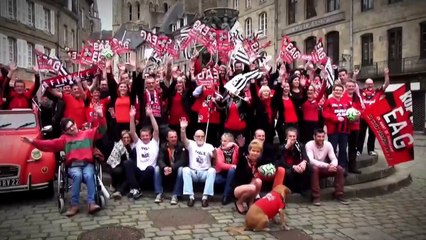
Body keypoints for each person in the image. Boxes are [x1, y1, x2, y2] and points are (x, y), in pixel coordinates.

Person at [21, 106, 106, 217]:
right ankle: (74, 205)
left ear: (75, 124)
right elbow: (49, 144)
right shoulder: (64, 139)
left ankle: (92, 204)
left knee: (90, 175)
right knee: (77, 175)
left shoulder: (88, 133)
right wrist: (33, 142)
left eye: (72, 125)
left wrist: (100, 116)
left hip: (87, 164)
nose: (71, 128)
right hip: (74, 166)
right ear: (65, 131)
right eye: (68, 128)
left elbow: (102, 130)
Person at [124, 105, 159, 200]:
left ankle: (135, 188)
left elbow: (156, 129)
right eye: (142, 136)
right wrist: (132, 117)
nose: (144, 137)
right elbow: (132, 131)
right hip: (138, 171)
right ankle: (136, 188)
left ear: (150, 135)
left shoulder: (154, 142)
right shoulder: (138, 142)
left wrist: (151, 115)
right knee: (128, 163)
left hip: (148, 173)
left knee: (150, 169)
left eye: (146, 135)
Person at [305, 129, 348, 206]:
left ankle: (339, 194)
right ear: (314, 137)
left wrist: (332, 165)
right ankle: (316, 197)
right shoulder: (309, 144)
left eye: (322, 136)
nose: (321, 138)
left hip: (324, 168)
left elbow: (334, 158)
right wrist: (327, 165)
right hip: (312, 170)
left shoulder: (328, 144)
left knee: (339, 169)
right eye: (318, 136)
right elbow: (310, 160)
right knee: (314, 168)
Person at [180, 118, 216, 207]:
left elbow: (214, 156)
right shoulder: (191, 144)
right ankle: (191, 197)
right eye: (198, 136)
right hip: (194, 173)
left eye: (202, 136)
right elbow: (183, 139)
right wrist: (183, 129)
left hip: (205, 173)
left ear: (204, 137)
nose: (200, 138)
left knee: (212, 171)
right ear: (194, 137)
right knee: (185, 170)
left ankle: (205, 198)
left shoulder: (209, 146)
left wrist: (215, 153)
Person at [357, 68, 390, 156]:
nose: (370, 85)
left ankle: (370, 150)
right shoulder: (361, 91)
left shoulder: (377, 91)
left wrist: (386, 74)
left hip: (373, 117)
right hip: (363, 117)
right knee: (361, 134)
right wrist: (355, 75)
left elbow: (386, 84)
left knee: (372, 135)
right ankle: (358, 150)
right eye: (368, 83)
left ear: (373, 84)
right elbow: (354, 85)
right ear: (365, 84)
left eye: (371, 83)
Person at [154, 129, 188, 205]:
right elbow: (160, 159)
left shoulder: (181, 146)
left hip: (175, 170)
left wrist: (172, 168)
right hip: (166, 170)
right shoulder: (163, 146)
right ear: (167, 138)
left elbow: (183, 161)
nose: (174, 139)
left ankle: (176, 194)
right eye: (171, 137)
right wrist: (164, 167)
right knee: (156, 169)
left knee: (181, 169)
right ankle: (159, 193)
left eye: (175, 137)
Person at [276, 127, 311, 195]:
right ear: (286, 137)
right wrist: (293, 167)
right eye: (290, 136)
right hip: (288, 167)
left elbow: (306, 157)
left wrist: (303, 163)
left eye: (294, 136)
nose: (292, 138)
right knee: (288, 172)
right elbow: (280, 161)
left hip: (298, 166)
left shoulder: (300, 146)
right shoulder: (281, 147)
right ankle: (291, 190)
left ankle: (304, 189)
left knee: (309, 167)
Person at [233, 138, 263, 214]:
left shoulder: (258, 162)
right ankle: (239, 202)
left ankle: (250, 202)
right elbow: (240, 155)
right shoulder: (244, 160)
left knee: (259, 182)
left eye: (257, 151)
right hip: (238, 188)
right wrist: (241, 146)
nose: (255, 153)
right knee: (253, 187)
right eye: (253, 150)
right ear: (249, 151)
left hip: (250, 186)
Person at [107, 130, 133, 200]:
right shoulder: (118, 146)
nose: (126, 139)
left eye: (128, 137)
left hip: (128, 168)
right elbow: (113, 161)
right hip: (116, 166)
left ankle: (119, 192)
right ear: (121, 139)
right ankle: (114, 185)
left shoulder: (132, 146)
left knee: (129, 175)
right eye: (124, 138)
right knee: (118, 171)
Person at [215, 133, 239, 205]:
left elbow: (240, 158)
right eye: (222, 141)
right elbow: (220, 165)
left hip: (233, 173)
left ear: (231, 142)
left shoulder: (236, 149)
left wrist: (236, 146)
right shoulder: (219, 150)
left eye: (225, 141)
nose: (223, 143)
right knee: (217, 180)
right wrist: (233, 166)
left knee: (231, 171)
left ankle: (226, 196)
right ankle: (230, 187)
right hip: (221, 173)